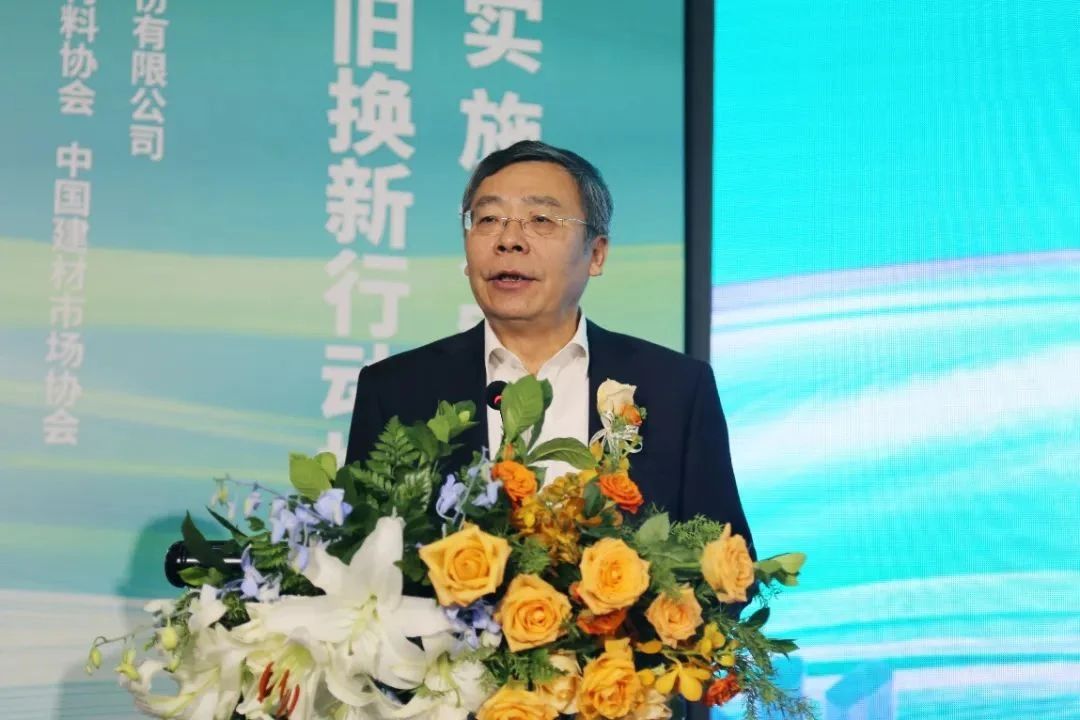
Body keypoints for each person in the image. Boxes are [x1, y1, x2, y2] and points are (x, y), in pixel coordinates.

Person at [345, 140, 752, 548]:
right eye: (488, 219)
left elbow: (727, 561)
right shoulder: (396, 390)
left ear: (596, 254)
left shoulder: (677, 389)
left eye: (540, 219)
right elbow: (357, 557)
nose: (509, 240)